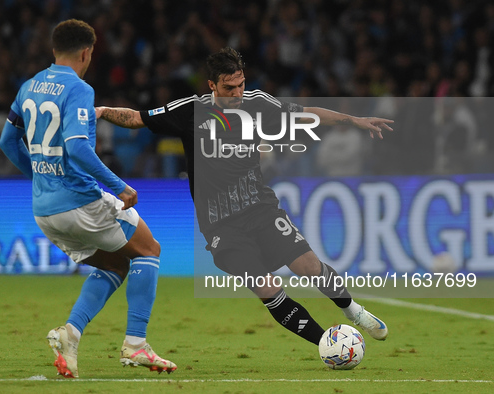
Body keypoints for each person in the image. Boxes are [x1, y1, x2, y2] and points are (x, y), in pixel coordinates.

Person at [95, 47, 392, 351]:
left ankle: (354, 311)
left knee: (309, 266)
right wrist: (103, 112)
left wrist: (353, 120)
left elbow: (307, 114)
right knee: (268, 287)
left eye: (241, 84)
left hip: (261, 209)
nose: (237, 93)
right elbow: (137, 118)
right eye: (228, 87)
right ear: (211, 85)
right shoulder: (189, 111)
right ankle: (327, 345)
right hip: (221, 226)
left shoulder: (257, 103)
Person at [0, 19, 176, 378]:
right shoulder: (78, 88)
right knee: (149, 250)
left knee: (115, 264)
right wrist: (119, 186)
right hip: (80, 202)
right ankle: (136, 345)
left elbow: (6, 141)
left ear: (54, 50)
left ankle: (71, 334)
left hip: (45, 211)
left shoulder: (28, 87)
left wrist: (42, 178)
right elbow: (78, 147)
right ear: (86, 52)